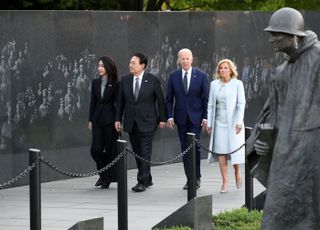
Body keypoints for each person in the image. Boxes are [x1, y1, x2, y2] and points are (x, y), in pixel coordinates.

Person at [246, 7, 320, 229]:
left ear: (293, 36)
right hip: (285, 155)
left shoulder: (318, 60)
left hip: (313, 154)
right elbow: (272, 114)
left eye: (277, 34)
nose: (272, 40)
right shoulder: (281, 72)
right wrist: (262, 141)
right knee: (276, 217)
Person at [115, 52, 167, 192]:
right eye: (130, 62)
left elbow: (160, 100)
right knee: (137, 151)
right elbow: (120, 102)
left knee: (145, 151)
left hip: (148, 122)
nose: (130, 65)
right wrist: (118, 119)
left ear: (142, 65)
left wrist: (162, 118)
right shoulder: (125, 80)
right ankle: (148, 178)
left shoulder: (152, 80)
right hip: (131, 122)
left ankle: (142, 181)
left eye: (133, 63)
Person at [165, 48, 209, 190]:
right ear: (178, 60)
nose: (184, 61)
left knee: (195, 148)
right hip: (181, 119)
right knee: (185, 149)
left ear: (192, 59)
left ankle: (196, 177)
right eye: (182, 58)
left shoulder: (201, 75)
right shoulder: (173, 76)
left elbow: (206, 99)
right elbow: (169, 99)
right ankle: (189, 178)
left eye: (187, 58)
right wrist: (170, 116)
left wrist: (206, 117)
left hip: (196, 118)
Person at [206, 59, 246, 193]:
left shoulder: (237, 84)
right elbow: (211, 105)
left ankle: (237, 172)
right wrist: (210, 124)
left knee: (233, 150)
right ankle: (225, 181)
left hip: (234, 122)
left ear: (231, 70)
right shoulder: (214, 84)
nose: (223, 70)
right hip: (218, 122)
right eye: (221, 68)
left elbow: (241, 105)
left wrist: (239, 122)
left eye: (226, 68)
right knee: (221, 152)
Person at [88, 56, 119, 189]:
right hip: (97, 120)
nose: (99, 68)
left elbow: (119, 104)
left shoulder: (116, 83)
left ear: (108, 67)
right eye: (98, 65)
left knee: (110, 150)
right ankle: (104, 174)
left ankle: (105, 178)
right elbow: (93, 102)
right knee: (95, 150)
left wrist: (118, 120)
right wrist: (90, 119)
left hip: (110, 121)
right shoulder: (95, 82)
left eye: (102, 65)